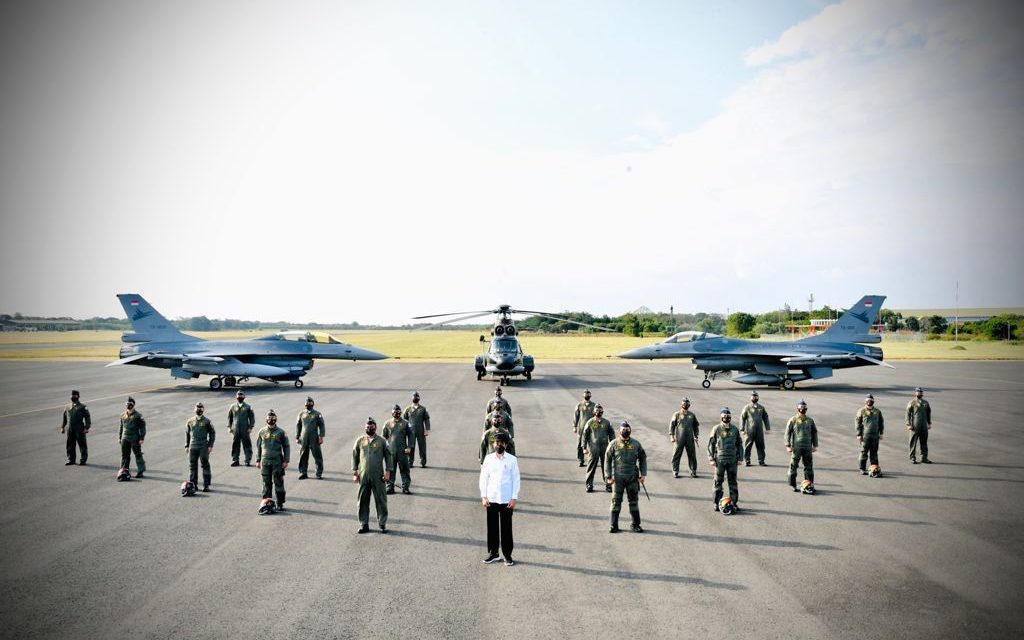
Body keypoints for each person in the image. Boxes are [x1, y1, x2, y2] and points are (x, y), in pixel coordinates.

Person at [480, 431, 520, 566]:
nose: (499, 445)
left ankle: (507, 555)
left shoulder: (512, 460)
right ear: (493, 444)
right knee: (492, 527)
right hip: (491, 498)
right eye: (497, 442)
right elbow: (483, 478)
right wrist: (483, 496)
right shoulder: (488, 459)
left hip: (506, 500)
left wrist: (514, 498)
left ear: (506, 444)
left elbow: (516, 480)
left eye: (502, 443)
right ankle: (493, 553)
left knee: (506, 528)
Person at [604, 421, 647, 533]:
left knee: (633, 501)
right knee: (616, 501)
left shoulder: (636, 444)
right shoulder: (613, 444)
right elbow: (607, 459)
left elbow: (643, 458)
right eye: (623, 430)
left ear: (630, 431)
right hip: (618, 478)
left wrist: (643, 474)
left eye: (627, 430)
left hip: (632, 477)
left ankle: (635, 525)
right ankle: (613, 525)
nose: (625, 431)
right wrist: (608, 476)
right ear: (619, 431)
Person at [352, 418, 392, 533]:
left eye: (372, 426)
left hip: (378, 475)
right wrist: (355, 473)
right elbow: (354, 456)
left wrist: (388, 472)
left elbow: (388, 456)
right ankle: (364, 524)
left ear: (376, 427)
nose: (370, 428)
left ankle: (382, 523)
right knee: (363, 500)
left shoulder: (382, 441)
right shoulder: (360, 441)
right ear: (365, 428)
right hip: (363, 475)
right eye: (368, 427)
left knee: (381, 500)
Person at [707, 408, 743, 511]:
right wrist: (711, 458)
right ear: (721, 417)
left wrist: (740, 458)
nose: (726, 418)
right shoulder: (716, 429)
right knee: (718, 481)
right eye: (724, 417)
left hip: (732, 459)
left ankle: (734, 503)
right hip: (720, 459)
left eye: (728, 417)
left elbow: (739, 444)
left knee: (733, 482)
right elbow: (711, 444)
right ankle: (716, 502)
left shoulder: (735, 429)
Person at [256, 409, 290, 511]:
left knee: (278, 482)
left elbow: (286, 446)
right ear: (266, 419)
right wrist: (258, 460)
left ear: (276, 419)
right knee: (266, 483)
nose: (271, 420)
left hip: (277, 462)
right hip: (265, 461)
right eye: (269, 418)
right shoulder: (262, 431)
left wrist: (286, 460)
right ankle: (267, 503)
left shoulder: (281, 432)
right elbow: (258, 447)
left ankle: (280, 503)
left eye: (273, 418)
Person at [784, 399, 818, 492]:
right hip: (796, 447)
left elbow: (814, 432)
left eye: (804, 408)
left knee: (809, 466)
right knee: (793, 465)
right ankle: (792, 484)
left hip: (807, 447)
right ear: (797, 409)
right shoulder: (793, 420)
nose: (802, 409)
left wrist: (815, 445)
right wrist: (788, 445)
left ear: (806, 409)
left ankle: (809, 484)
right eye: (801, 408)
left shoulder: (810, 420)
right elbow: (788, 432)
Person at [582, 405, 615, 492]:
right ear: (593, 412)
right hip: (594, 448)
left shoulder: (607, 423)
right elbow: (585, 435)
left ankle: (608, 485)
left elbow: (612, 435)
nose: (598, 412)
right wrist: (584, 447)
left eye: (600, 410)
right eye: (596, 410)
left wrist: (614, 447)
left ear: (602, 412)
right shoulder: (590, 422)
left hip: (605, 448)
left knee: (606, 467)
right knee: (591, 467)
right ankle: (589, 485)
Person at [383, 404, 415, 495]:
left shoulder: (406, 423)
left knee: (404, 469)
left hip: (403, 451)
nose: (396, 414)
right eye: (394, 412)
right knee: (390, 469)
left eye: (398, 412)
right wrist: (383, 449)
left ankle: (405, 488)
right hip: (391, 451)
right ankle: (390, 487)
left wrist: (409, 447)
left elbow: (411, 435)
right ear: (392, 413)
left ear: (400, 413)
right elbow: (383, 438)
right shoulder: (387, 423)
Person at [185, 402, 216, 492]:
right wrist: (186, 445)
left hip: (203, 446)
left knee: (205, 465)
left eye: (200, 408)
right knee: (192, 466)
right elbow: (187, 434)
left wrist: (210, 445)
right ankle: (193, 484)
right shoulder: (190, 421)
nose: (199, 410)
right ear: (194, 409)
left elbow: (212, 433)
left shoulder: (207, 421)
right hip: (193, 446)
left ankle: (206, 485)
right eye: (197, 408)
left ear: (203, 410)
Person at [669, 397, 700, 478]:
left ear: (689, 405)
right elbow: (672, 426)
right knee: (676, 455)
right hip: (679, 438)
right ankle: (675, 471)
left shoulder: (692, 415)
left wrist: (696, 436)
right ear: (681, 405)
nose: (685, 405)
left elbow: (696, 426)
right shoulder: (677, 414)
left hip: (690, 438)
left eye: (687, 404)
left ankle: (693, 471)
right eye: (684, 404)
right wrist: (672, 436)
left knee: (692, 455)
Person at [295, 396, 325, 479]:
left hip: (314, 437)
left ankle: (318, 473)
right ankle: (303, 472)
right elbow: (298, 425)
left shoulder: (317, 414)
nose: (308, 405)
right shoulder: (301, 413)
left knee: (317, 455)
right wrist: (297, 436)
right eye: (307, 403)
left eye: (310, 403)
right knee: (303, 455)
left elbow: (321, 425)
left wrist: (321, 436)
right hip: (304, 438)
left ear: (313, 404)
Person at [856, 394, 884, 475]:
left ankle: (874, 468)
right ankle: (862, 468)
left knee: (874, 452)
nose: (869, 401)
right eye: (868, 400)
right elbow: (858, 423)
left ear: (873, 401)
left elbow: (881, 422)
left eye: (871, 400)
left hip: (875, 436)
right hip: (865, 436)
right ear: (865, 401)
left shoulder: (877, 411)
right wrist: (858, 434)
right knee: (864, 452)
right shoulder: (861, 411)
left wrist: (881, 433)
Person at [740, 391, 771, 466]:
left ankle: (761, 461)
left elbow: (765, 417)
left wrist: (767, 428)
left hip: (759, 431)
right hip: (750, 430)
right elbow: (742, 418)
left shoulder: (761, 407)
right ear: (750, 398)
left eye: (756, 396)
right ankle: (747, 461)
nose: (754, 397)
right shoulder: (747, 407)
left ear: (758, 397)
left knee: (761, 445)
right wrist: (742, 429)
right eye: (753, 396)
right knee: (747, 446)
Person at [60, 390, 91, 465]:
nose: (73, 397)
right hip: (70, 429)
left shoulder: (83, 407)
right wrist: (62, 427)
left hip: (79, 429)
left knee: (82, 444)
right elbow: (65, 418)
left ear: (78, 397)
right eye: (72, 396)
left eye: (74, 395)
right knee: (70, 445)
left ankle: (83, 459)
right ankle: (71, 459)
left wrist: (87, 427)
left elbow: (87, 417)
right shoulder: (67, 407)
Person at [118, 397, 146, 478]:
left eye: (130, 404)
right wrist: (120, 437)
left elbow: (142, 428)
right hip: (125, 438)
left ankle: (140, 471)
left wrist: (141, 438)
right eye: (127, 404)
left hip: (134, 438)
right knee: (124, 456)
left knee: (138, 455)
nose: (129, 406)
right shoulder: (122, 415)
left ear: (133, 405)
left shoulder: (138, 416)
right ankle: (124, 471)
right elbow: (121, 427)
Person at [227, 390, 255, 467]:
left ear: (244, 397)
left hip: (245, 429)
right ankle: (235, 460)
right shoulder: (233, 407)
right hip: (235, 429)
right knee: (235, 445)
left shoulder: (248, 407)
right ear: (236, 397)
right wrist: (229, 427)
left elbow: (252, 418)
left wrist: (251, 427)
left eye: (241, 396)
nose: (240, 397)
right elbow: (230, 417)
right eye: (238, 396)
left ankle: (247, 460)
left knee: (247, 445)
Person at [402, 391, 431, 468]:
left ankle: (423, 462)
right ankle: (410, 462)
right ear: (412, 398)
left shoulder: (422, 409)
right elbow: (404, 420)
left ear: (419, 399)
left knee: (422, 446)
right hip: (411, 431)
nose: (415, 398)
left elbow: (426, 419)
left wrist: (427, 430)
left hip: (420, 430)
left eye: (416, 397)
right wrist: (404, 430)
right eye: (414, 397)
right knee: (411, 446)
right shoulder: (407, 409)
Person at [906, 387, 932, 464]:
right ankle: (912, 458)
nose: (919, 393)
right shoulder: (912, 402)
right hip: (915, 426)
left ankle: (924, 457)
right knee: (913, 442)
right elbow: (907, 414)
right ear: (915, 393)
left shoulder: (925, 403)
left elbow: (928, 413)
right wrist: (908, 424)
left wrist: (929, 423)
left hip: (924, 426)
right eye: (918, 392)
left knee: (924, 442)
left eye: (920, 392)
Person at [573, 390, 596, 467]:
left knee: (592, 445)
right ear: (583, 396)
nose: (587, 395)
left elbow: (597, 416)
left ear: (590, 395)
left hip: (591, 429)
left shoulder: (594, 405)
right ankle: (581, 460)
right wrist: (574, 426)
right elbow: (576, 416)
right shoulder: (579, 405)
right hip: (581, 428)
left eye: (588, 394)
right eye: (586, 394)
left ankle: (591, 460)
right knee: (579, 445)